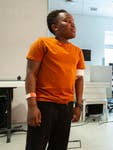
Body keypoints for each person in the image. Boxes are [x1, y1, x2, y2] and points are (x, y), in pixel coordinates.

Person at [25, 9, 85, 150]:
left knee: (59, 146)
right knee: (36, 146)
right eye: (67, 21)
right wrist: (32, 106)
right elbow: (30, 74)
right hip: (44, 105)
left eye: (73, 22)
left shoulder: (77, 51)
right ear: (55, 27)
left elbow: (79, 79)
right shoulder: (42, 44)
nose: (73, 25)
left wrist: (78, 105)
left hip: (66, 107)